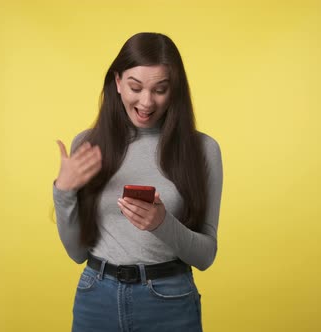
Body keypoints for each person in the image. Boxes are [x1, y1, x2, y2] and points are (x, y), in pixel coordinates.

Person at [53, 32, 223, 332]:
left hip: (168, 301)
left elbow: (205, 255)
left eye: (160, 89)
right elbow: (76, 253)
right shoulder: (88, 145)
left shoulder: (203, 150)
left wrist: (161, 223)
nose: (146, 102)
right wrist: (63, 191)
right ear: (118, 82)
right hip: (96, 298)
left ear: (174, 90)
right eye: (135, 87)